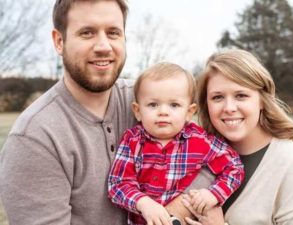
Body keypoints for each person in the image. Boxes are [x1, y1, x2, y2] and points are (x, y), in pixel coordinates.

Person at [0, 0, 135, 224]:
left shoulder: (148, 102)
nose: (103, 46)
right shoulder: (34, 138)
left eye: (113, 33)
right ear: (59, 41)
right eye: (87, 33)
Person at [108, 62, 244, 225]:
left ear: (189, 112)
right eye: (153, 104)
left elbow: (234, 166)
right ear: (137, 111)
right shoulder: (132, 141)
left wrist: (214, 194)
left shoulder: (199, 140)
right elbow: (118, 184)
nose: (163, 112)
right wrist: (143, 203)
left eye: (174, 105)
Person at [183, 49, 293, 225]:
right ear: (206, 105)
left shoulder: (292, 160)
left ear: (261, 100)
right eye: (218, 97)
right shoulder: (194, 154)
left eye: (241, 95)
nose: (229, 107)